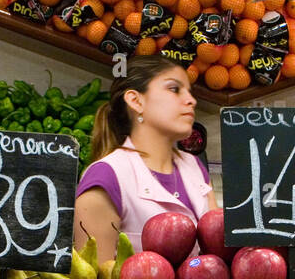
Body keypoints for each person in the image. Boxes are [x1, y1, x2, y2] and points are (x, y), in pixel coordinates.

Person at [74, 56, 215, 261]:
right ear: (136, 101)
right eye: (174, 89)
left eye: (189, 91)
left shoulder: (194, 166)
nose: (191, 100)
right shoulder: (106, 177)